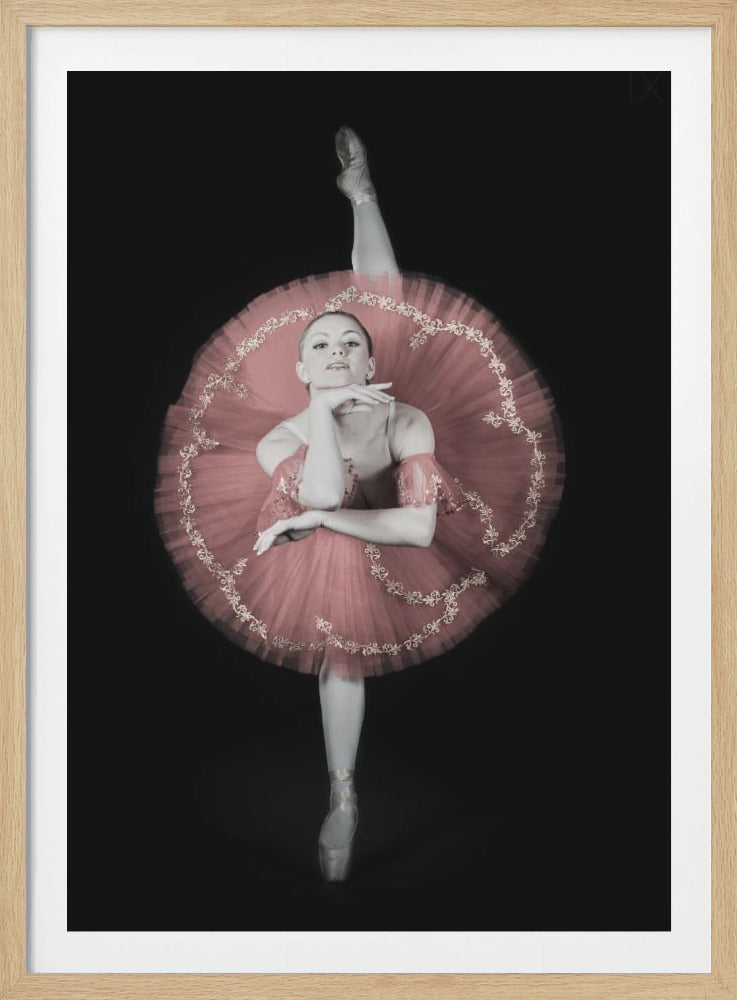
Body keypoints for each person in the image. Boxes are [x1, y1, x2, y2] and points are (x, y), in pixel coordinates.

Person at [155, 127, 565, 882]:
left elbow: (414, 526)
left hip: (395, 515)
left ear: (369, 361)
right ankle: (343, 795)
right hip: (325, 518)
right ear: (303, 369)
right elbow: (316, 490)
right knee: (337, 653)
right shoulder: (279, 439)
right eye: (321, 347)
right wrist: (320, 432)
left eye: (350, 344)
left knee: (388, 303)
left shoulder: (408, 417)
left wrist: (315, 516)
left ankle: (363, 195)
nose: (338, 349)